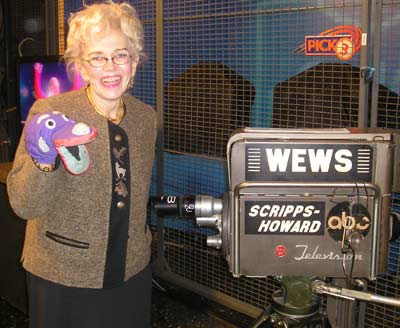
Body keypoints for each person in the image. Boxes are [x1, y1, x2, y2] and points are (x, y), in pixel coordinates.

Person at [7, 1, 157, 327]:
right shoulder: (51, 112)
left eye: (121, 54)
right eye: (97, 58)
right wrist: (43, 160)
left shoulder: (146, 118)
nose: (111, 67)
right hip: (63, 275)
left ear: (134, 61)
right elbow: (24, 203)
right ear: (82, 66)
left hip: (131, 272)